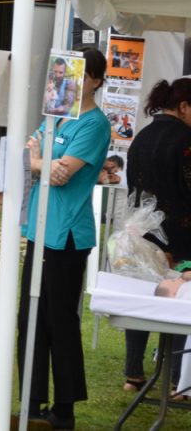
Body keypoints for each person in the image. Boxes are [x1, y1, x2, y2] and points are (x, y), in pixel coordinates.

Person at [16, 48, 110, 429]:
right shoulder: (57, 114)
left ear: (97, 81)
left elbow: (61, 174)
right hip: (39, 229)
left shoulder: (95, 124)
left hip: (68, 235)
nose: (75, 79)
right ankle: (32, 401)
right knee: (30, 317)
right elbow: (28, 157)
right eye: (73, 72)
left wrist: (41, 162)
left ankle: (64, 409)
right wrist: (42, 163)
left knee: (60, 321)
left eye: (84, 74)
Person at [121, 77, 191, 392]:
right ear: (184, 106)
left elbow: (133, 189)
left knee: (142, 298)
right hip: (181, 236)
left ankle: (133, 372)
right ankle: (176, 379)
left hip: (141, 232)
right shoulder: (185, 140)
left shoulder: (142, 136)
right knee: (179, 302)